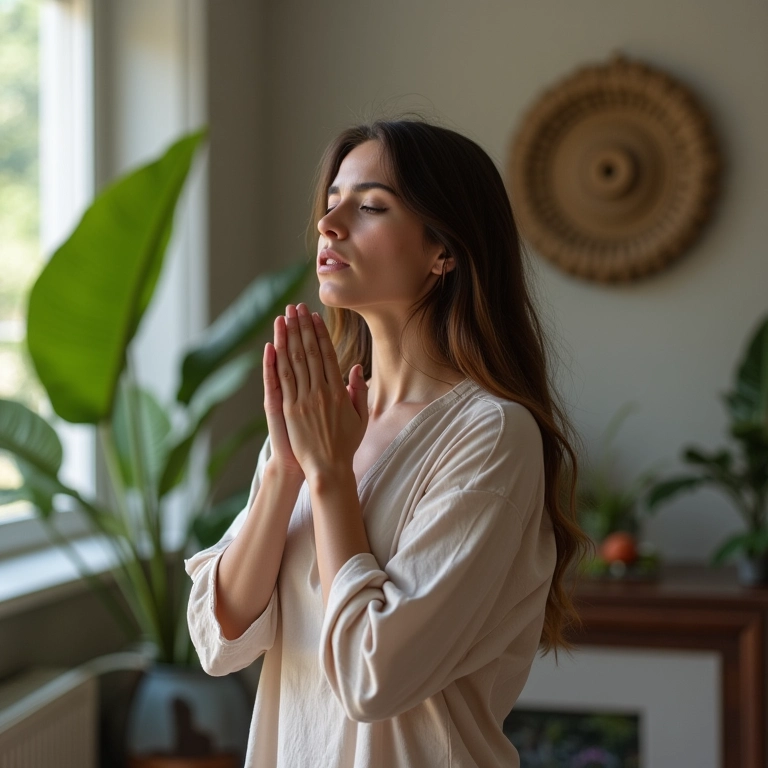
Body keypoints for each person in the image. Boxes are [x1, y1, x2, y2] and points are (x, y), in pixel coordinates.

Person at [184, 117, 588, 768]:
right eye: (330, 203)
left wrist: (330, 477)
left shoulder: (490, 434)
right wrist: (287, 468)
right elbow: (218, 640)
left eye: (370, 206)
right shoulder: (319, 418)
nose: (329, 223)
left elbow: (375, 679)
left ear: (444, 252)